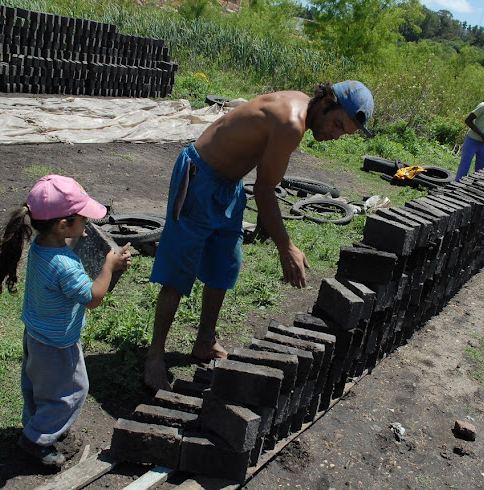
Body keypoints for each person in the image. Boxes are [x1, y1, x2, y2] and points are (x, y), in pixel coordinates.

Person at [144, 80, 374, 391]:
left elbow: (265, 180)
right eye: (336, 124)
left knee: (225, 266)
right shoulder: (291, 122)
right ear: (325, 103)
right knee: (178, 271)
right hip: (200, 177)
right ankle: (155, 356)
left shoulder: (303, 109)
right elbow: (265, 190)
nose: (334, 135)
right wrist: (286, 246)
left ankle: (204, 341)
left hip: (229, 186)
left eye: (341, 133)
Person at [0, 175, 131, 466]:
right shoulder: (64, 265)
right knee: (71, 392)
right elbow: (92, 297)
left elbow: (67, 252)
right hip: (58, 344)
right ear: (62, 225)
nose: (88, 225)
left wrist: (77, 236)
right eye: (83, 219)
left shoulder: (41, 245)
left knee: (38, 387)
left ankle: (38, 425)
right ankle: (36, 440)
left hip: (36, 334)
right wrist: (109, 266)